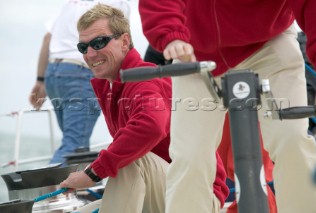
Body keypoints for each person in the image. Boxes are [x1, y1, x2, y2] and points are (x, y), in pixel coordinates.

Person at [139, 1, 316, 213]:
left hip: (269, 41)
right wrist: (169, 33)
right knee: (189, 156)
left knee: (291, 139)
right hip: (194, 49)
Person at [59, 4, 229, 213]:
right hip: (163, 188)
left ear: (124, 41)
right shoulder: (110, 86)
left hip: (198, 196)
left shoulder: (144, 79)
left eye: (99, 42)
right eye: (83, 48)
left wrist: (93, 173)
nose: (90, 54)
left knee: (130, 160)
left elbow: (151, 126)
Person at [144, 44, 277, 213]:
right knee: (200, 162)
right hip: (204, 92)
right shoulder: (166, 41)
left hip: (241, 87)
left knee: (252, 173)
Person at [29, 0, 130, 165]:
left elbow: (48, 38)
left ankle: (75, 189)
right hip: (81, 74)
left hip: (53, 74)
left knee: (76, 141)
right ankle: (45, 189)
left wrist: (40, 81)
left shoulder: (71, 4)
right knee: (75, 146)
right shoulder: (117, 4)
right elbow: (122, 44)